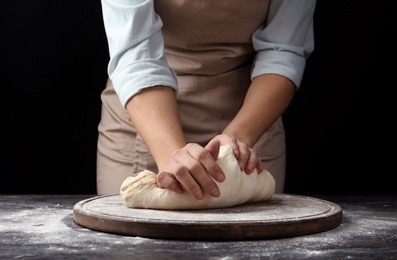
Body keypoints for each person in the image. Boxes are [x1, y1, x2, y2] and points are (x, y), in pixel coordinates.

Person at [97, 0, 316, 198]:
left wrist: (239, 140)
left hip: (252, 116)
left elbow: (283, 50)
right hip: (145, 116)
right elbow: (137, 55)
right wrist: (171, 155)